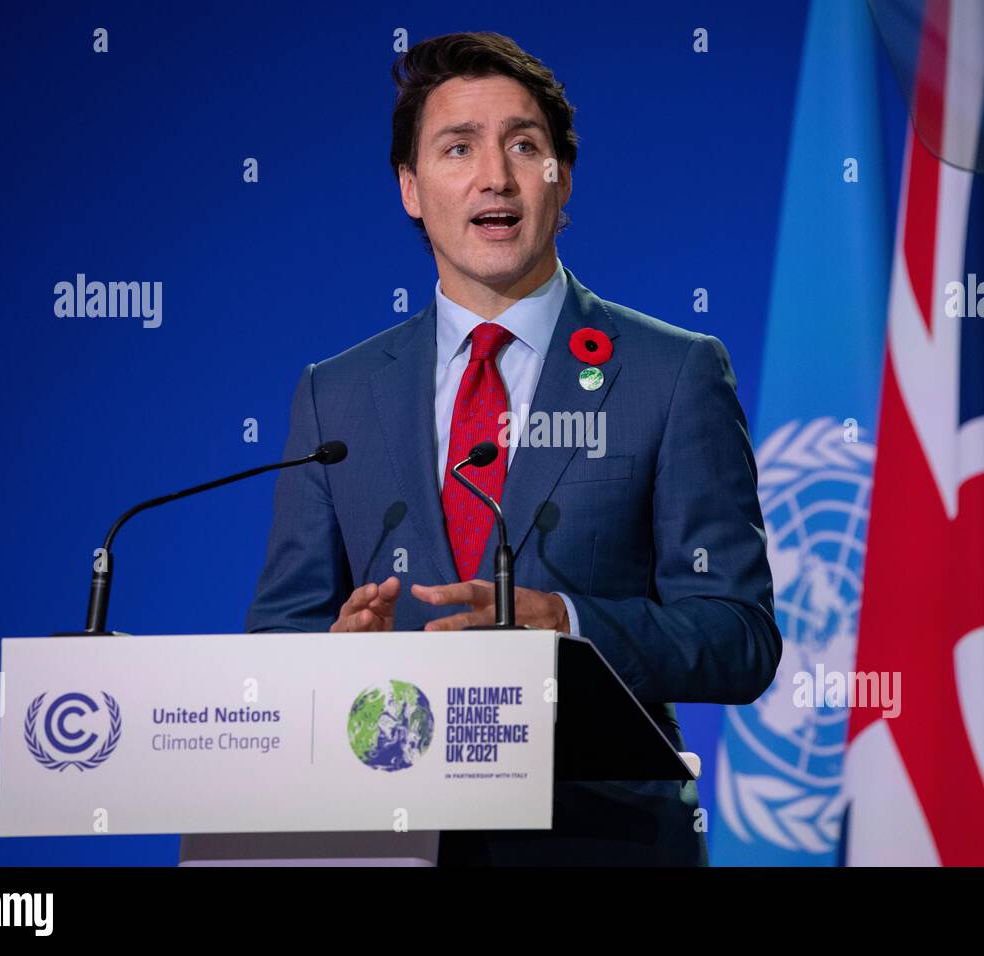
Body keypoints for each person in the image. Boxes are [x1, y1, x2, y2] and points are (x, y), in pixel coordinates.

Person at [246, 31, 781, 866]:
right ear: (411, 190)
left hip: (601, 839)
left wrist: (566, 627)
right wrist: (330, 663)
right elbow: (281, 634)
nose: (495, 176)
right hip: (384, 831)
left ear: (561, 184)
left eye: (524, 146)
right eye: (458, 148)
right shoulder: (336, 392)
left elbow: (740, 636)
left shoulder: (673, 374)